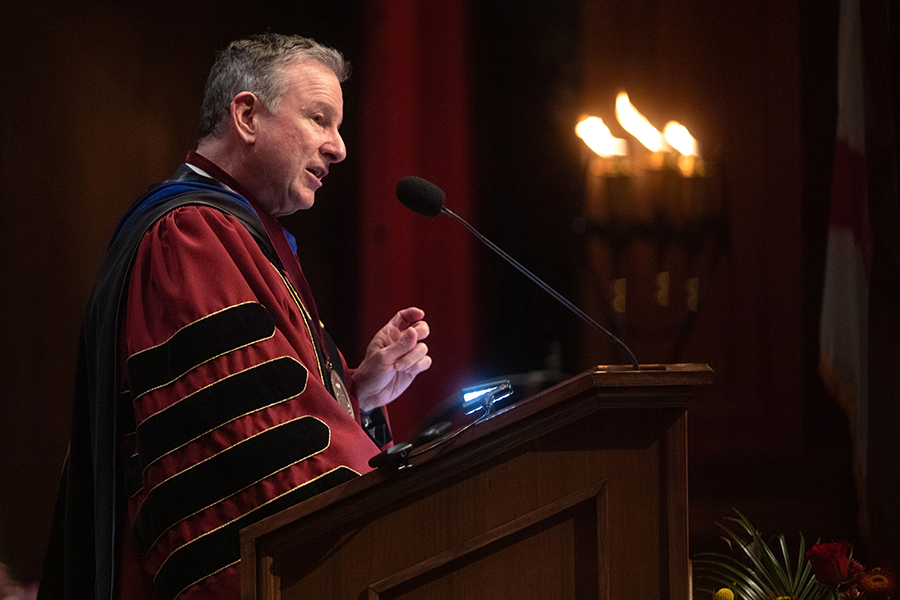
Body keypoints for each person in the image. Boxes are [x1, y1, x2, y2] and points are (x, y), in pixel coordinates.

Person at [38, 33, 431, 600]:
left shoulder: (246, 237)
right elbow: (244, 450)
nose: (338, 147)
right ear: (246, 114)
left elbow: (274, 413)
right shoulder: (189, 239)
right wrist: (403, 521)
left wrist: (357, 392)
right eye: (319, 119)